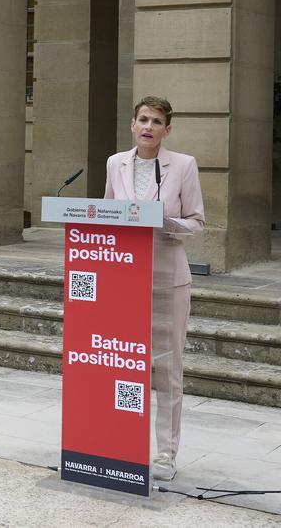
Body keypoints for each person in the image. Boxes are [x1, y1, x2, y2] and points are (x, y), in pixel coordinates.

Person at [103, 96, 205, 482]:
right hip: (125, 280)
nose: (148, 126)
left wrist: (164, 221)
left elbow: (197, 223)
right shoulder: (116, 163)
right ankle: (122, 442)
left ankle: (165, 453)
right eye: (143, 119)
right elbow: (108, 213)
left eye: (156, 121)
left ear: (167, 129)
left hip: (167, 277)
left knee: (167, 370)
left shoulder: (183, 166)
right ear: (132, 124)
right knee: (125, 364)